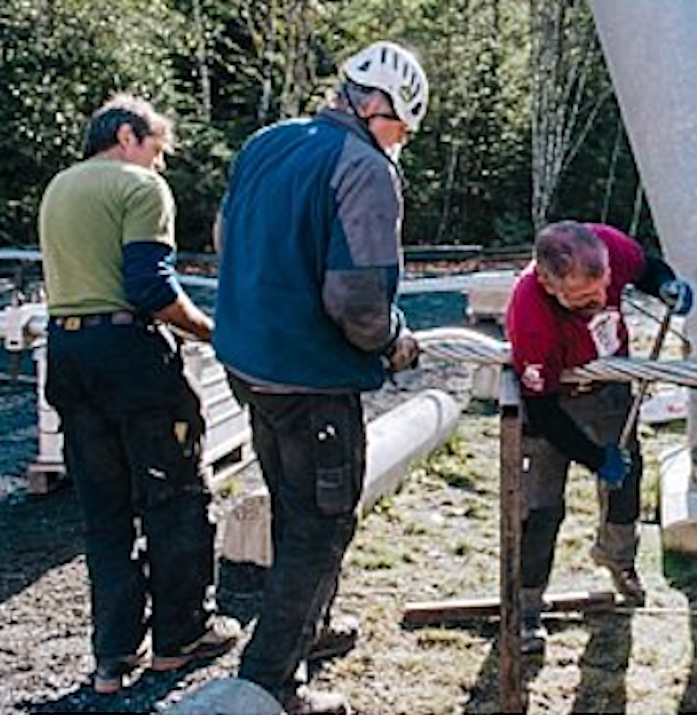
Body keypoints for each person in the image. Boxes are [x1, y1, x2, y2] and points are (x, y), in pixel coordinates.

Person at [212, 40, 427, 715]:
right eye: (402, 128)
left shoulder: (269, 140)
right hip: (310, 380)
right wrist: (394, 339)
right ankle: (274, 679)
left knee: (293, 503)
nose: (401, 143)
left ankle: (309, 626)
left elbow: (224, 234)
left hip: (251, 366)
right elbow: (358, 304)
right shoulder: (365, 168)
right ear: (377, 106)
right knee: (321, 527)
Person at [38, 94, 241, 696]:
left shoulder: (58, 188)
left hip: (68, 355)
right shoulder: (139, 187)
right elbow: (150, 287)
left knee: (105, 512)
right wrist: (212, 331)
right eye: (156, 149)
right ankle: (182, 637)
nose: (159, 164)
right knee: (175, 495)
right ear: (127, 136)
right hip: (130, 356)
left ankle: (113, 656)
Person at [504, 220, 694, 654]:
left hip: (608, 383)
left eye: (603, 289)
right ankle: (527, 605)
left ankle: (618, 558)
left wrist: (665, 286)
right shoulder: (529, 312)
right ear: (551, 288)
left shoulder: (609, 248)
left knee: (626, 478)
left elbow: (647, 268)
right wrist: (593, 456)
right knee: (542, 507)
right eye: (583, 299)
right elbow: (544, 412)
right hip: (552, 399)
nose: (599, 302)